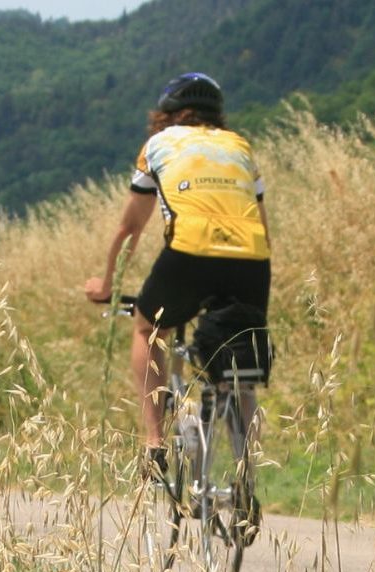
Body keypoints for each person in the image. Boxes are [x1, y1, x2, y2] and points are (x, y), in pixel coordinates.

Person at [80, 72, 274, 490]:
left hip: (189, 254)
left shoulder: (158, 145)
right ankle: (244, 477)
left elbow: (130, 227)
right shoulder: (239, 146)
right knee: (238, 363)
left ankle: (152, 442)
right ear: (216, 116)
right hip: (252, 259)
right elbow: (260, 222)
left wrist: (107, 284)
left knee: (149, 328)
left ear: (165, 115)